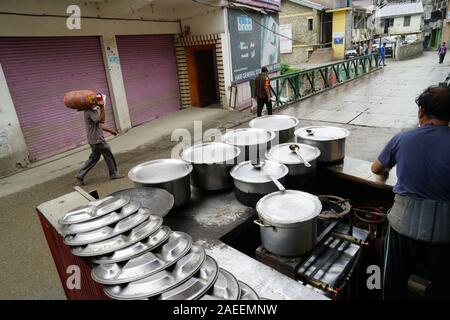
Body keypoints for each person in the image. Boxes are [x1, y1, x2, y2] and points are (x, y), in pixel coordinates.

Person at [371, 86, 450, 300]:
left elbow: (376, 169)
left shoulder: (403, 138)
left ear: (421, 111)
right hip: (445, 234)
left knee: (389, 284)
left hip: (402, 228)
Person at [76, 94, 124, 185]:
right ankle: (114, 174)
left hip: (92, 140)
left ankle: (80, 174)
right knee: (108, 155)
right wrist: (102, 108)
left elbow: (99, 125)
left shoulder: (88, 111)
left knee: (94, 157)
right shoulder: (91, 111)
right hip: (97, 140)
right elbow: (101, 120)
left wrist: (111, 131)